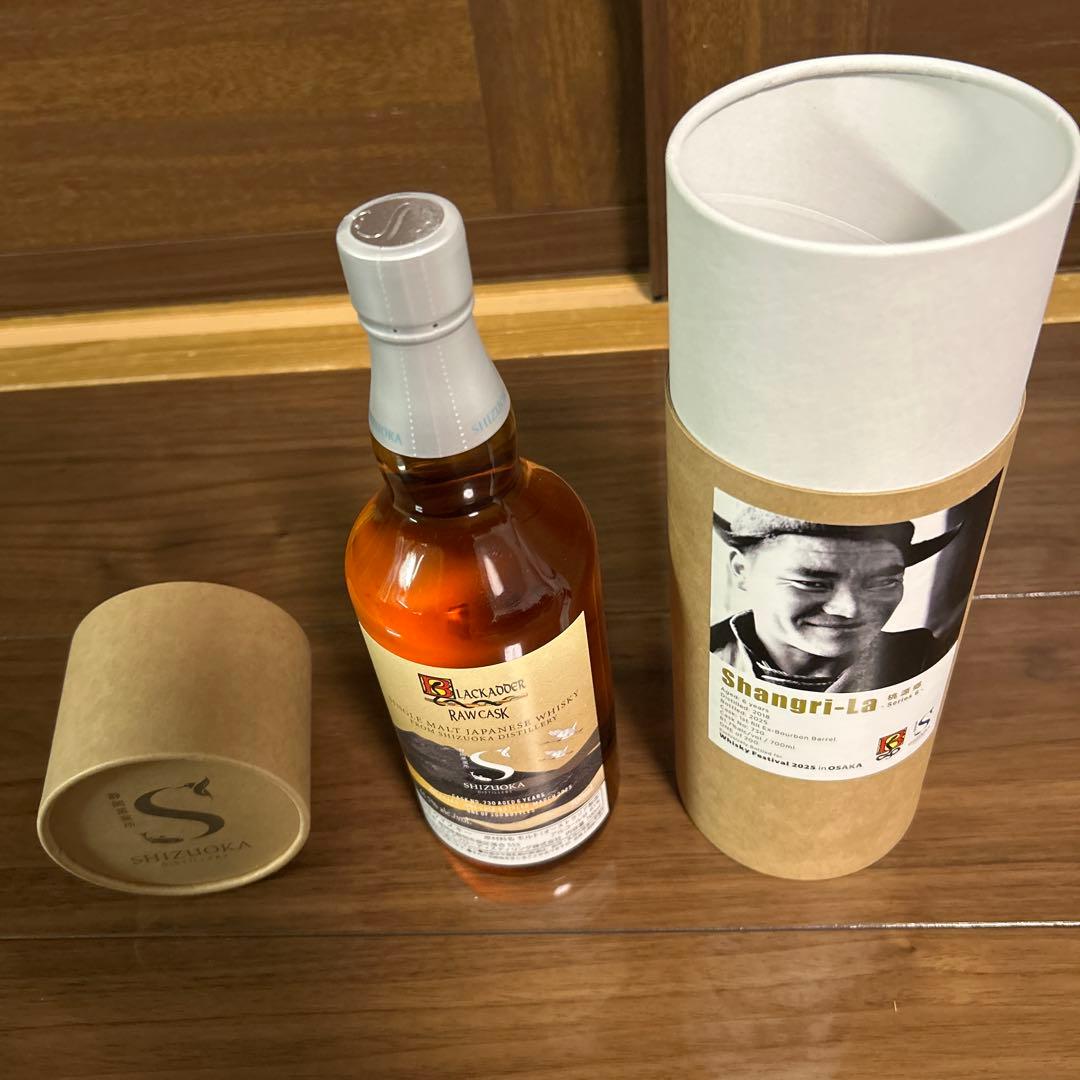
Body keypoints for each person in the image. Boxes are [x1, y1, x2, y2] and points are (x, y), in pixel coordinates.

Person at [711, 508, 960, 693]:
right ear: (742, 572)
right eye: (813, 584)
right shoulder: (704, 657)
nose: (850, 609)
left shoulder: (926, 662)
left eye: (883, 582)